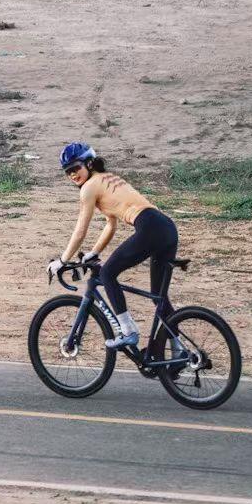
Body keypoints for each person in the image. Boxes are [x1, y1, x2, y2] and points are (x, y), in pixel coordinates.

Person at [46, 142, 179, 350]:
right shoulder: (106, 179)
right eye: (68, 171)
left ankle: (128, 330)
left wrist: (62, 261)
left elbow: (80, 231)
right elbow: (111, 223)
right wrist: (94, 253)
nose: (72, 174)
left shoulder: (89, 187)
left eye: (76, 168)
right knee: (159, 297)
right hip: (167, 228)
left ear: (89, 163)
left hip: (151, 228)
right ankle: (180, 353)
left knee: (107, 274)